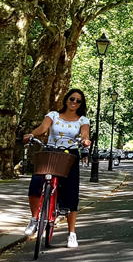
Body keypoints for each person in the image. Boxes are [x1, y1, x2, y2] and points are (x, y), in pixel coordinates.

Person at [23, 89, 91, 248]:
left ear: (81, 104)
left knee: (71, 193)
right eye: (72, 98)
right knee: (36, 183)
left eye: (78, 100)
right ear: (66, 99)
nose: (74, 102)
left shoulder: (83, 120)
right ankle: (34, 220)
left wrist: (86, 140)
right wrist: (31, 135)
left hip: (70, 154)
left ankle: (72, 234)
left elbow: (84, 134)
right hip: (51, 151)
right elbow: (42, 128)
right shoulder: (53, 115)